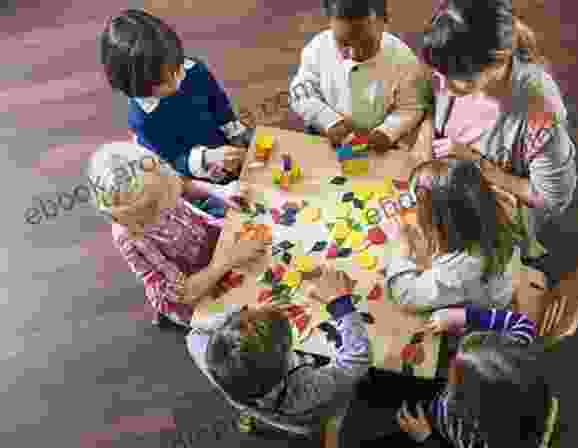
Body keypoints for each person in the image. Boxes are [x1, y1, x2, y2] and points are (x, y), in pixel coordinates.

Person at [416, 0, 578, 286]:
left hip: (496, 225)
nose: (442, 85)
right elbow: (431, 105)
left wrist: (479, 166)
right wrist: (426, 141)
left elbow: (551, 199)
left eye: (454, 80)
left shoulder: (539, 112)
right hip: (449, 198)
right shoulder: (453, 64)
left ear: (496, 64)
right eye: (439, 74)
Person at [186, 265, 371, 446]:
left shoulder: (207, 355)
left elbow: (196, 328)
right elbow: (356, 358)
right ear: (288, 358)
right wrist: (340, 304)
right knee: (347, 389)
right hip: (309, 417)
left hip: (251, 406)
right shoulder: (305, 388)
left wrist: (240, 321)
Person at [87, 141, 266, 328]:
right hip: (190, 287)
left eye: (168, 199)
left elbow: (182, 185)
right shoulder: (131, 238)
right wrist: (226, 261)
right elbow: (183, 293)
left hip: (208, 241)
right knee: (230, 323)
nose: (167, 210)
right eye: (152, 215)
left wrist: (219, 190)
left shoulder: (159, 183)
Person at [366, 306, 558, 447]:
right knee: (383, 381)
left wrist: (425, 437)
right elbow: (519, 322)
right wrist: (460, 316)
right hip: (436, 407)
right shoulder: (517, 345)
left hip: (435, 431)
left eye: (455, 380)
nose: (450, 366)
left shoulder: (479, 440)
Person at [99, 9, 254, 184]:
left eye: (177, 69)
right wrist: (208, 158)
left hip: (216, 141)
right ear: (135, 88)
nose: (176, 82)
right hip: (188, 167)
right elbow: (173, 158)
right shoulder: (142, 120)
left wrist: (235, 134)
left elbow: (219, 105)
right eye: (163, 83)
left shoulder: (194, 70)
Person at [290, 0, 431, 152]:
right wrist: (328, 120)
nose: (354, 53)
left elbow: (411, 107)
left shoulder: (404, 61)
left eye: (365, 43)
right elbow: (300, 94)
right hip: (325, 131)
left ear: (384, 22)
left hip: (377, 140)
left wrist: (387, 131)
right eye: (343, 44)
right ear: (330, 23)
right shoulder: (318, 48)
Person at [384, 159, 521, 312]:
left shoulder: (462, 268)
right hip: (496, 286)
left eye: (417, 202)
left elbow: (407, 296)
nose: (411, 206)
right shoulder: (490, 208)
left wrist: (403, 248)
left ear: (443, 223)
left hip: (484, 315)